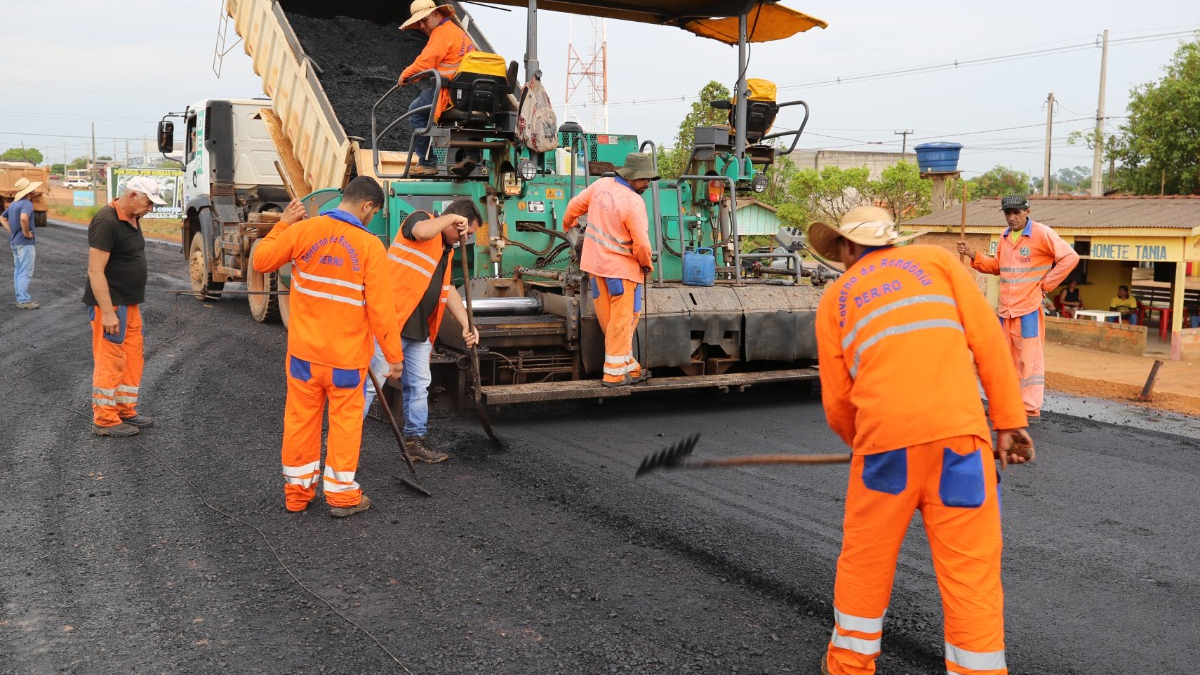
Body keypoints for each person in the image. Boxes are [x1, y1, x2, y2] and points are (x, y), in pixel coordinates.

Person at [811, 206, 1034, 675]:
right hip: (963, 446)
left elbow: (838, 401)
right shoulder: (938, 263)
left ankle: (850, 665)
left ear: (849, 246)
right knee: (971, 573)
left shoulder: (835, 299)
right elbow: (989, 342)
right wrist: (1009, 422)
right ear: (891, 240)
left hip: (883, 453)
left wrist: (865, 444)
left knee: (865, 563)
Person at [252, 177, 405, 518]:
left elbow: (261, 261)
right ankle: (341, 497)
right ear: (367, 206)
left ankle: (297, 494)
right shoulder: (368, 246)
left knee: (300, 422)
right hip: (346, 361)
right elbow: (381, 309)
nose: (373, 218)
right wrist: (393, 356)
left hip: (305, 355)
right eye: (375, 212)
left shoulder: (304, 231)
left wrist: (282, 225)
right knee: (345, 425)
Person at [362, 198, 481, 463]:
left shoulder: (446, 251)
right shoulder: (420, 219)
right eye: (467, 232)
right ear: (456, 221)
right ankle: (344, 444)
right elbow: (421, 231)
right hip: (391, 324)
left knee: (418, 386)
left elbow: (446, 290)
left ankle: (416, 442)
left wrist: (467, 324)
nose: (467, 238)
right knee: (371, 386)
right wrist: (450, 219)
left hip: (419, 333)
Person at [957, 195, 1079, 420]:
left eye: (1016, 213)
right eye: (1008, 213)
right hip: (1006, 311)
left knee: (1028, 361)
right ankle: (1006, 404)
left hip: (1029, 311)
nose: (1012, 218)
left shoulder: (1041, 233)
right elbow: (997, 267)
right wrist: (973, 254)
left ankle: (1028, 407)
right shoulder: (1004, 237)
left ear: (1027, 212)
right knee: (1005, 359)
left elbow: (1070, 258)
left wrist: (1047, 284)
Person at [563, 152, 658, 387]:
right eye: (644, 178)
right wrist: (646, 264)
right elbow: (642, 244)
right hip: (622, 272)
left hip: (596, 269)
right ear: (632, 177)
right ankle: (615, 374)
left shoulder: (600, 185)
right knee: (622, 322)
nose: (647, 183)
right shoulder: (634, 202)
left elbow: (574, 205)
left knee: (610, 322)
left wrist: (569, 224)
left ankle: (629, 367)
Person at [83, 177, 166, 437]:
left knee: (131, 358)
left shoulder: (132, 218)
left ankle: (124, 409)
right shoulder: (106, 221)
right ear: (131, 195)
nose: (150, 208)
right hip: (111, 305)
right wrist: (107, 312)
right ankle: (105, 420)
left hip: (129, 304)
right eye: (148, 202)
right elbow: (95, 271)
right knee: (110, 360)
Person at [397, 0, 477, 177]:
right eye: (418, 23)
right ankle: (471, 155)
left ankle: (427, 163)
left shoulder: (441, 33)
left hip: (448, 92)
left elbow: (424, 63)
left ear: (435, 13)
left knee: (415, 112)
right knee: (469, 122)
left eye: (424, 20)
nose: (422, 25)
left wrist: (405, 76)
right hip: (468, 93)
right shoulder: (459, 33)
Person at [1, 177, 41, 309]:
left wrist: (13, 231)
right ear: (29, 191)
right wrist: (26, 232)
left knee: (18, 271)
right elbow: (24, 218)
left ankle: (20, 298)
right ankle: (24, 300)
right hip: (25, 243)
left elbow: (2, 217)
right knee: (25, 271)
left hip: (15, 243)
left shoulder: (13, 204)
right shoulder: (26, 204)